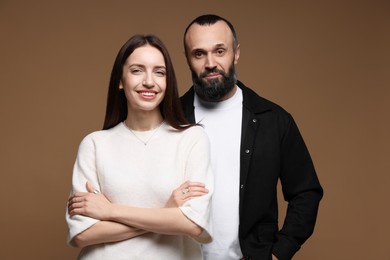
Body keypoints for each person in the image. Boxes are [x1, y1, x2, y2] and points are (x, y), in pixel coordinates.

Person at [180, 14, 323, 260]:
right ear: (188, 59)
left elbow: (306, 192)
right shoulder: (169, 118)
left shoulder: (273, 120)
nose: (210, 63)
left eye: (220, 51)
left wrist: (279, 253)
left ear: (236, 53)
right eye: (199, 53)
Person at [66, 34, 213, 260]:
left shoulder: (192, 138)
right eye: (137, 70)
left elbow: (194, 224)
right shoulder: (94, 144)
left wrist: (110, 211)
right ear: (120, 80)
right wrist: (167, 213)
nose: (149, 81)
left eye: (159, 72)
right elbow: (83, 234)